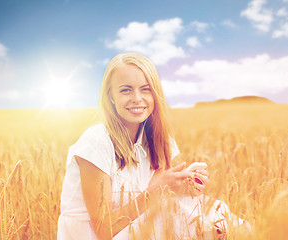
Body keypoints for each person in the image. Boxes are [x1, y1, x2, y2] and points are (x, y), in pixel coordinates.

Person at [57, 53, 248, 240]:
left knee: (202, 212)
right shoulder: (97, 141)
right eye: (126, 90)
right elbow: (104, 231)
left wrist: (183, 185)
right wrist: (159, 189)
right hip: (95, 236)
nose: (137, 98)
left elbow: (156, 195)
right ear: (111, 96)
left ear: (155, 94)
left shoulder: (157, 139)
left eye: (146, 89)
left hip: (136, 228)